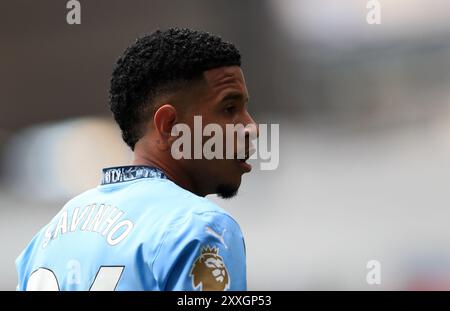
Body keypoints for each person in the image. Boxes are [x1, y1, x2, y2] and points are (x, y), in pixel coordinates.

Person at [16, 27, 258, 291]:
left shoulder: (48, 237)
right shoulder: (201, 228)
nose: (251, 127)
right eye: (229, 108)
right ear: (169, 125)